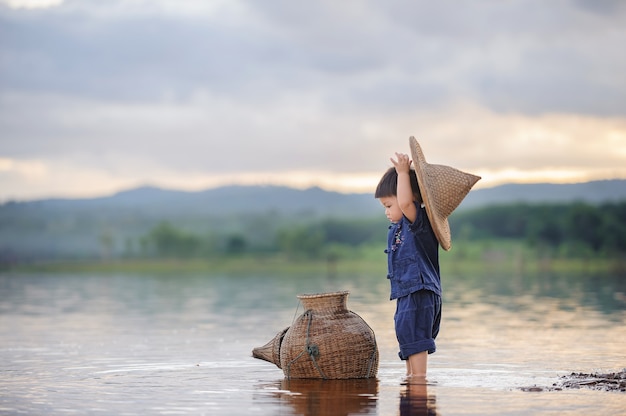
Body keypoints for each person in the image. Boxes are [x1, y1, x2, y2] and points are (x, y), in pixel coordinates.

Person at [375, 137, 480, 380]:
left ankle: (419, 383)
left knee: (417, 340)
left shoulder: (417, 222)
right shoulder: (401, 226)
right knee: (408, 340)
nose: (387, 211)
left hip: (420, 292)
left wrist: (402, 172)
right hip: (407, 293)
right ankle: (412, 381)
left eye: (388, 205)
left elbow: (405, 201)